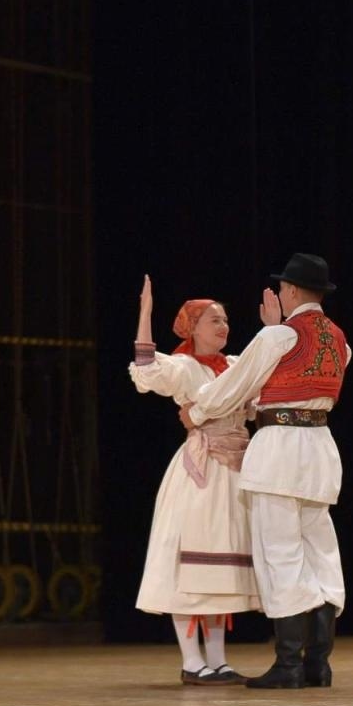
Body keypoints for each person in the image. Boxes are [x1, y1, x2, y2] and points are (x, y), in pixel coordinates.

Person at [187, 253, 350, 690]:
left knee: (280, 553)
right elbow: (299, 385)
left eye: (283, 288)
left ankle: (289, 664)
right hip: (319, 448)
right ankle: (318, 663)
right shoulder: (340, 340)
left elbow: (235, 385)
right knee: (321, 553)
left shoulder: (277, 336)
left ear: (291, 291)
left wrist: (198, 410)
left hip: (280, 448)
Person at [128, 277, 258, 684]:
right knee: (192, 562)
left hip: (233, 469)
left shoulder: (235, 365)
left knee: (221, 566)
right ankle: (191, 661)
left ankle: (217, 659)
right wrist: (146, 313)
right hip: (200, 471)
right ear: (193, 328)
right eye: (214, 320)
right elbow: (146, 371)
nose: (223, 326)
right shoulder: (185, 366)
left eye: (225, 320)